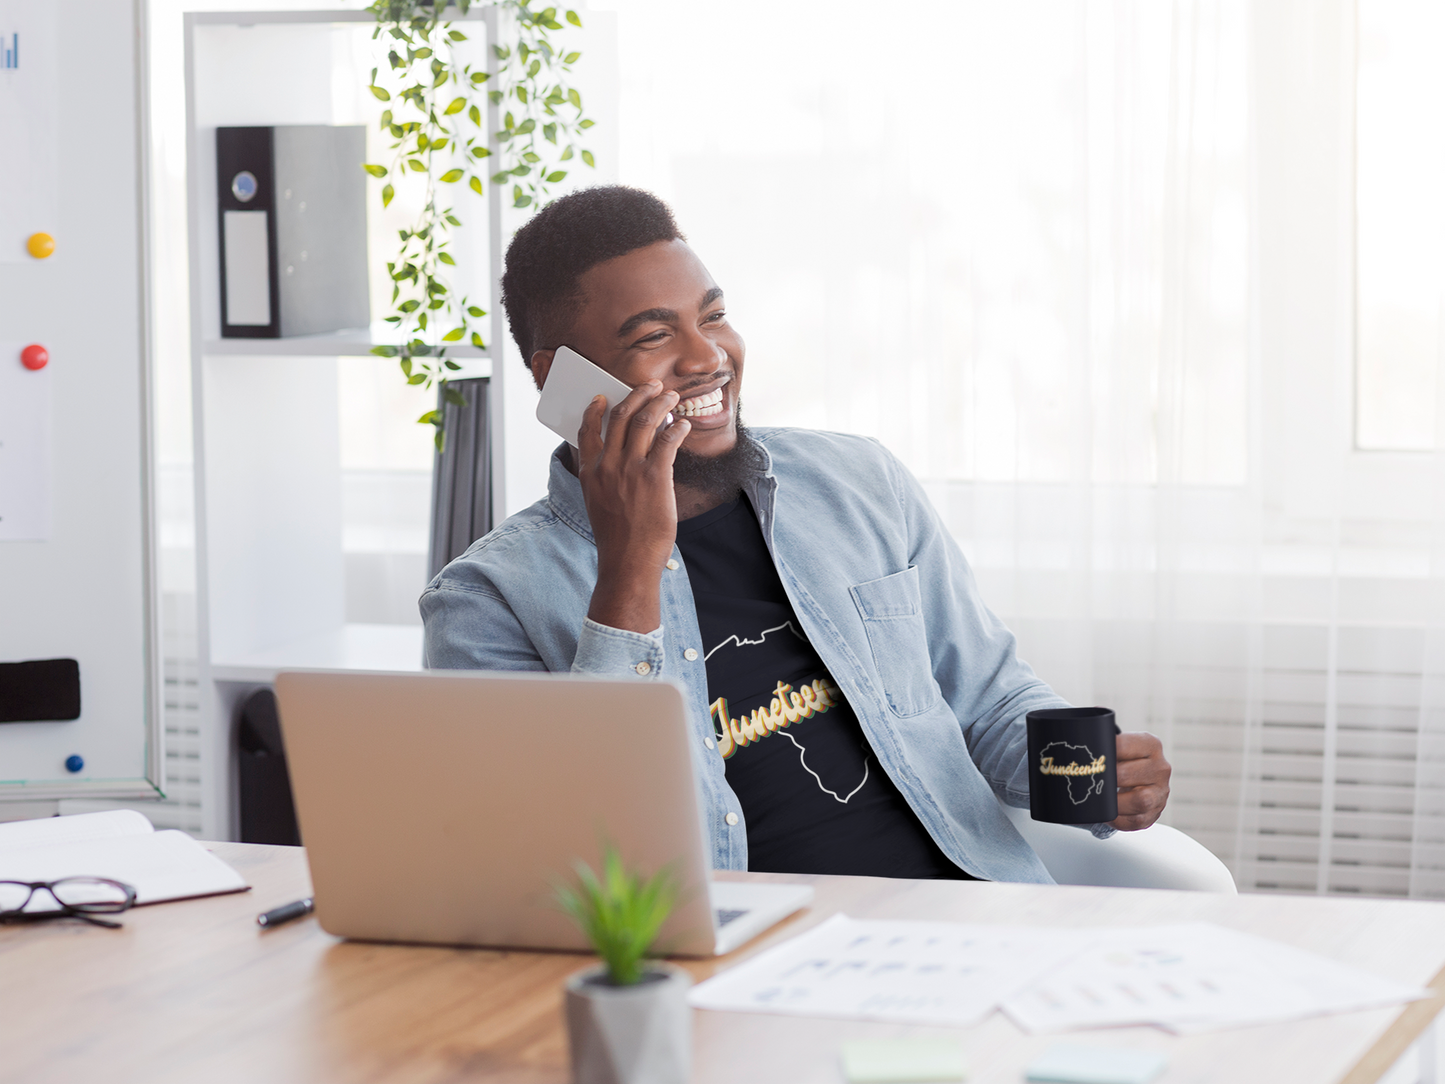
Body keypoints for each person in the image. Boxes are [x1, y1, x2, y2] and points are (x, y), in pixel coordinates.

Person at [420, 185, 1171, 882]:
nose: (707, 356)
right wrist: (631, 564)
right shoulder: (486, 600)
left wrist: (1095, 776)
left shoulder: (859, 482)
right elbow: (552, 853)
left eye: (712, 316)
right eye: (655, 335)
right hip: (728, 974)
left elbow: (986, 697)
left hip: (965, 918)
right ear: (563, 379)